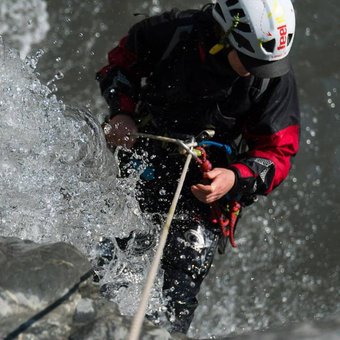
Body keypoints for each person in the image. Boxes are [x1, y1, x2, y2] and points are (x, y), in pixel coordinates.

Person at [95, 0, 300, 334]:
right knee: (115, 254)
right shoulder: (168, 34)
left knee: (183, 272)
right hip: (144, 157)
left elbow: (278, 152)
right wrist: (122, 112)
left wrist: (235, 177)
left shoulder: (272, 74)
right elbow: (119, 67)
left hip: (207, 187)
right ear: (225, 35)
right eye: (248, 61)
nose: (254, 71)